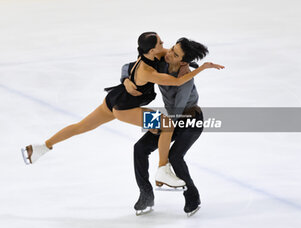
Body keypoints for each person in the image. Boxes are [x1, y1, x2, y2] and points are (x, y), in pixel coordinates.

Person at [21, 32, 224, 189]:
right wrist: (203, 68)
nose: (166, 48)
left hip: (114, 98)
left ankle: (41, 147)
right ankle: (163, 168)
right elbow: (177, 80)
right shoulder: (150, 69)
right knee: (166, 124)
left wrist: (126, 81)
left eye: (168, 46)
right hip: (124, 108)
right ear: (152, 51)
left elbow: (131, 67)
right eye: (162, 45)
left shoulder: (154, 55)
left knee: (81, 126)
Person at [121, 37, 212, 215]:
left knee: (175, 156)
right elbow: (129, 66)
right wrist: (126, 80)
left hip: (190, 119)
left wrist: (156, 124)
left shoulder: (185, 78)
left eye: (175, 54)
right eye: (171, 48)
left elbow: (177, 113)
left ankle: (192, 196)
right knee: (139, 148)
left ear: (183, 61)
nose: (168, 53)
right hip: (171, 118)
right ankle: (145, 195)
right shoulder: (162, 61)